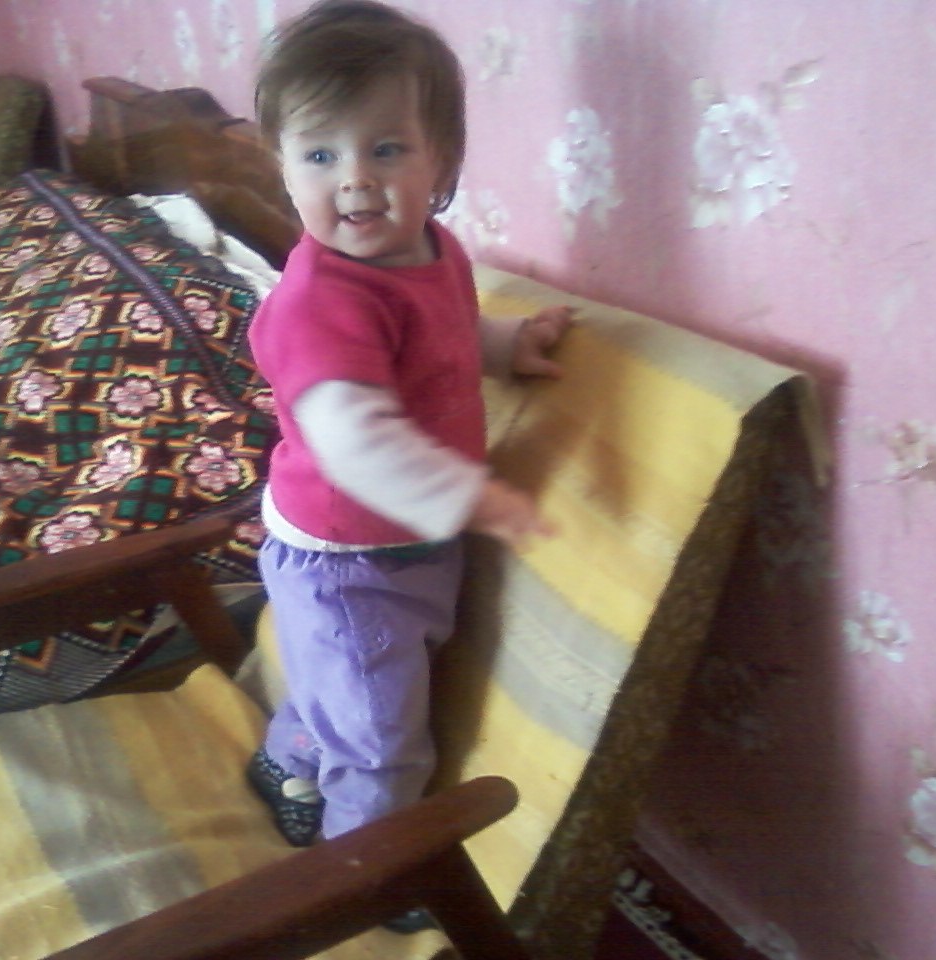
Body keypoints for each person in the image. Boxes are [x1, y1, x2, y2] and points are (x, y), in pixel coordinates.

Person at [245, 0, 572, 913]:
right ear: (282, 167)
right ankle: (368, 882)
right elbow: (354, 440)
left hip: (398, 541)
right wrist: (474, 497)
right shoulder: (322, 303)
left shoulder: (433, 250)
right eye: (320, 155)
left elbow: (445, 337)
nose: (354, 179)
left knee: (351, 689)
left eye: (386, 149)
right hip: (347, 562)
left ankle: (288, 759)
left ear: (443, 163)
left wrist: (508, 346)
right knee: (384, 742)